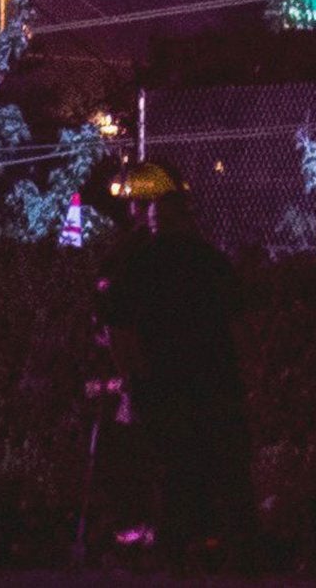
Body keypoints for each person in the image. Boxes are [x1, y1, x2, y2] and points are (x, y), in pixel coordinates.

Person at [98, 162, 255, 571]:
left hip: (159, 382)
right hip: (213, 381)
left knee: (170, 464)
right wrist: (242, 377)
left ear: (152, 220)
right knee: (211, 463)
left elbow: (117, 328)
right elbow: (240, 326)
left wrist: (131, 378)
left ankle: (173, 548)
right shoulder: (213, 262)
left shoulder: (137, 264)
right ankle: (211, 543)